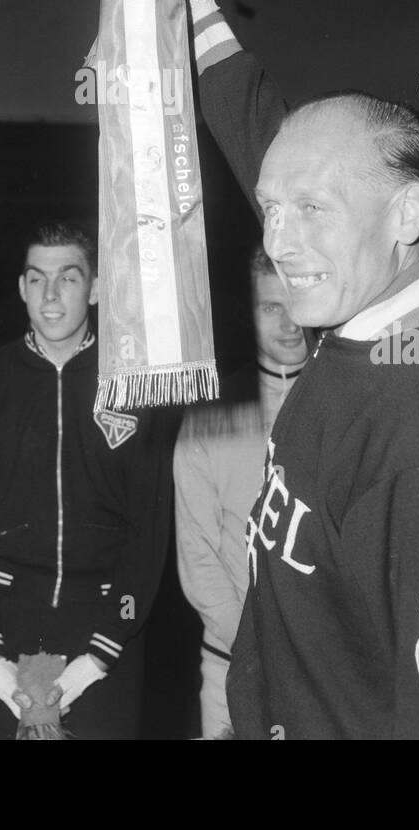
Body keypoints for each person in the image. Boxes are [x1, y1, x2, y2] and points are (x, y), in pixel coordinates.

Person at [181, 0, 419, 739]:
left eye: (308, 208)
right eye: (270, 209)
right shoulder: (365, 304)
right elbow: (259, 133)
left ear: (406, 215)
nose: (278, 242)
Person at [0, 222, 172, 740]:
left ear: (95, 288)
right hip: (11, 621)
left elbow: (150, 529)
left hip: (104, 623)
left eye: (67, 278)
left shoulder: (134, 383)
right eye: (37, 279)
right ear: (21, 287)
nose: (50, 295)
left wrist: (99, 656)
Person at [174, 245, 309, 738]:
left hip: (326, 672)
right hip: (231, 665)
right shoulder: (211, 414)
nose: (290, 322)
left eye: (295, 299)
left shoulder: (343, 403)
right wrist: (254, 647)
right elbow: (197, 553)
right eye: (271, 307)